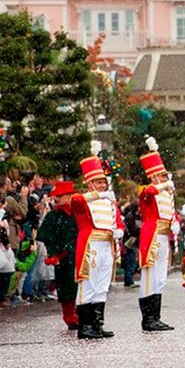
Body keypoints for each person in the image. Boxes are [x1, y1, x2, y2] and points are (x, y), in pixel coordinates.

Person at [71, 142, 124, 339]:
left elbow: (116, 219)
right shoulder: (85, 199)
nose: (103, 185)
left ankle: (97, 324)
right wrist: (96, 195)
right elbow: (75, 202)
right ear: (90, 183)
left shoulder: (110, 201)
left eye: (104, 182)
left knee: (102, 286)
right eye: (98, 181)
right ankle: (85, 327)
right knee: (88, 284)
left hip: (107, 246)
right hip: (90, 246)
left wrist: (119, 230)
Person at [137, 136, 176, 332]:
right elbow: (147, 193)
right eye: (162, 175)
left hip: (163, 237)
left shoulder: (167, 195)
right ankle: (148, 319)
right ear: (153, 177)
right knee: (149, 277)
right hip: (151, 238)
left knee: (160, 278)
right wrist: (161, 185)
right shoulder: (148, 191)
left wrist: (174, 224)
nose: (165, 179)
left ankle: (156, 317)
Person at [37, 180, 79, 330]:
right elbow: (47, 238)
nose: (57, 199)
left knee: (82, 287)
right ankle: (70, 318)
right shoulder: (53, 216)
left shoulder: (79, 212)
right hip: (64, 258)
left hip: (81, 255)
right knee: (66, 287)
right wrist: (53, 254)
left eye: (60, 196)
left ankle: (84, 315)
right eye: (56, 196)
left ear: (70, 195)